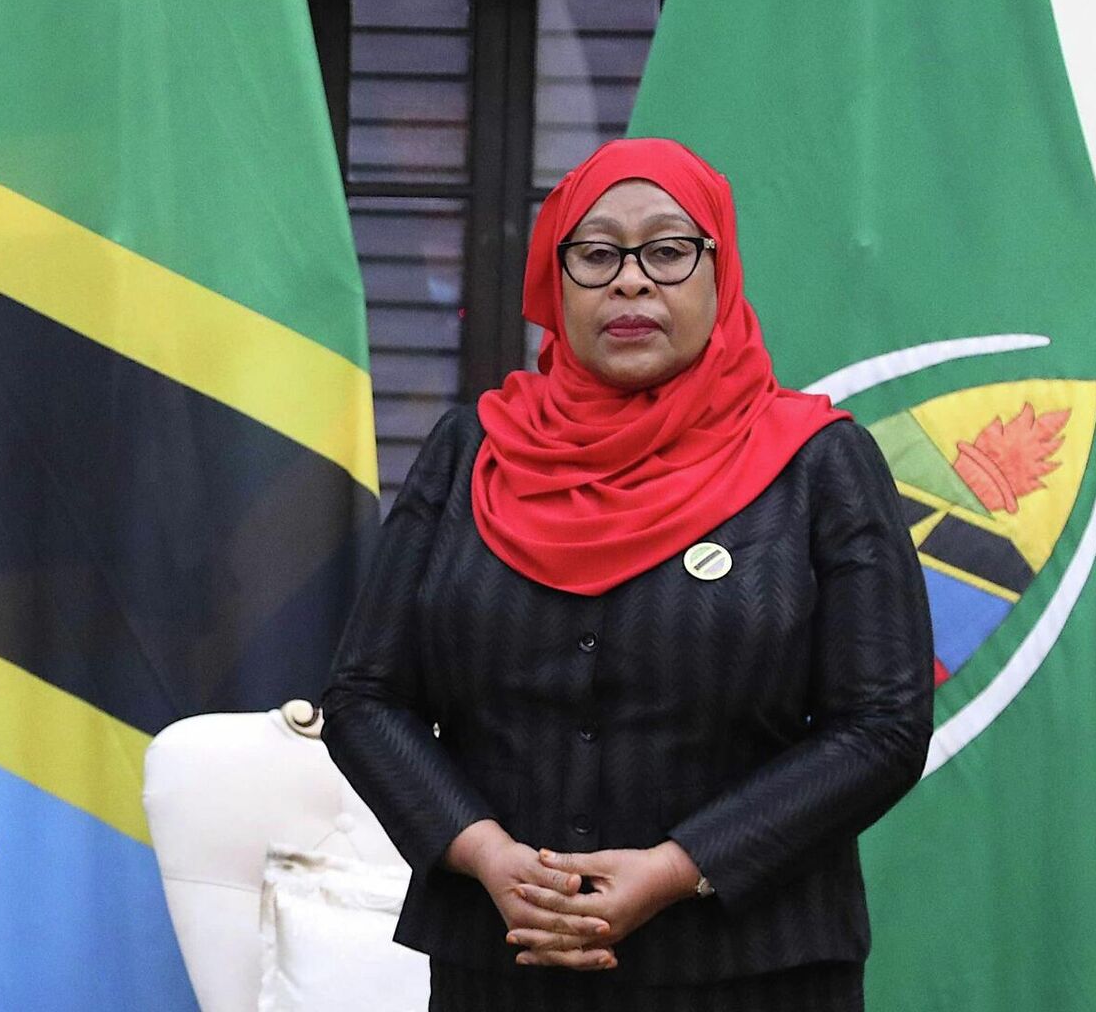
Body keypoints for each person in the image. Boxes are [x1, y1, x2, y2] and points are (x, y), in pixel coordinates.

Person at [321, 138, 932, 1010]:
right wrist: (485, 853)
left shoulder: (818, 465)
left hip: (755, 969)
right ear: (556, 281)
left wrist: (682, 867)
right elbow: (365, 696)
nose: (632, 282)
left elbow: (881, 725)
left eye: (669, 251)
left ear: (720, 271)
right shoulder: (469, 455)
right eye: (597, 253)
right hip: (506, 961)